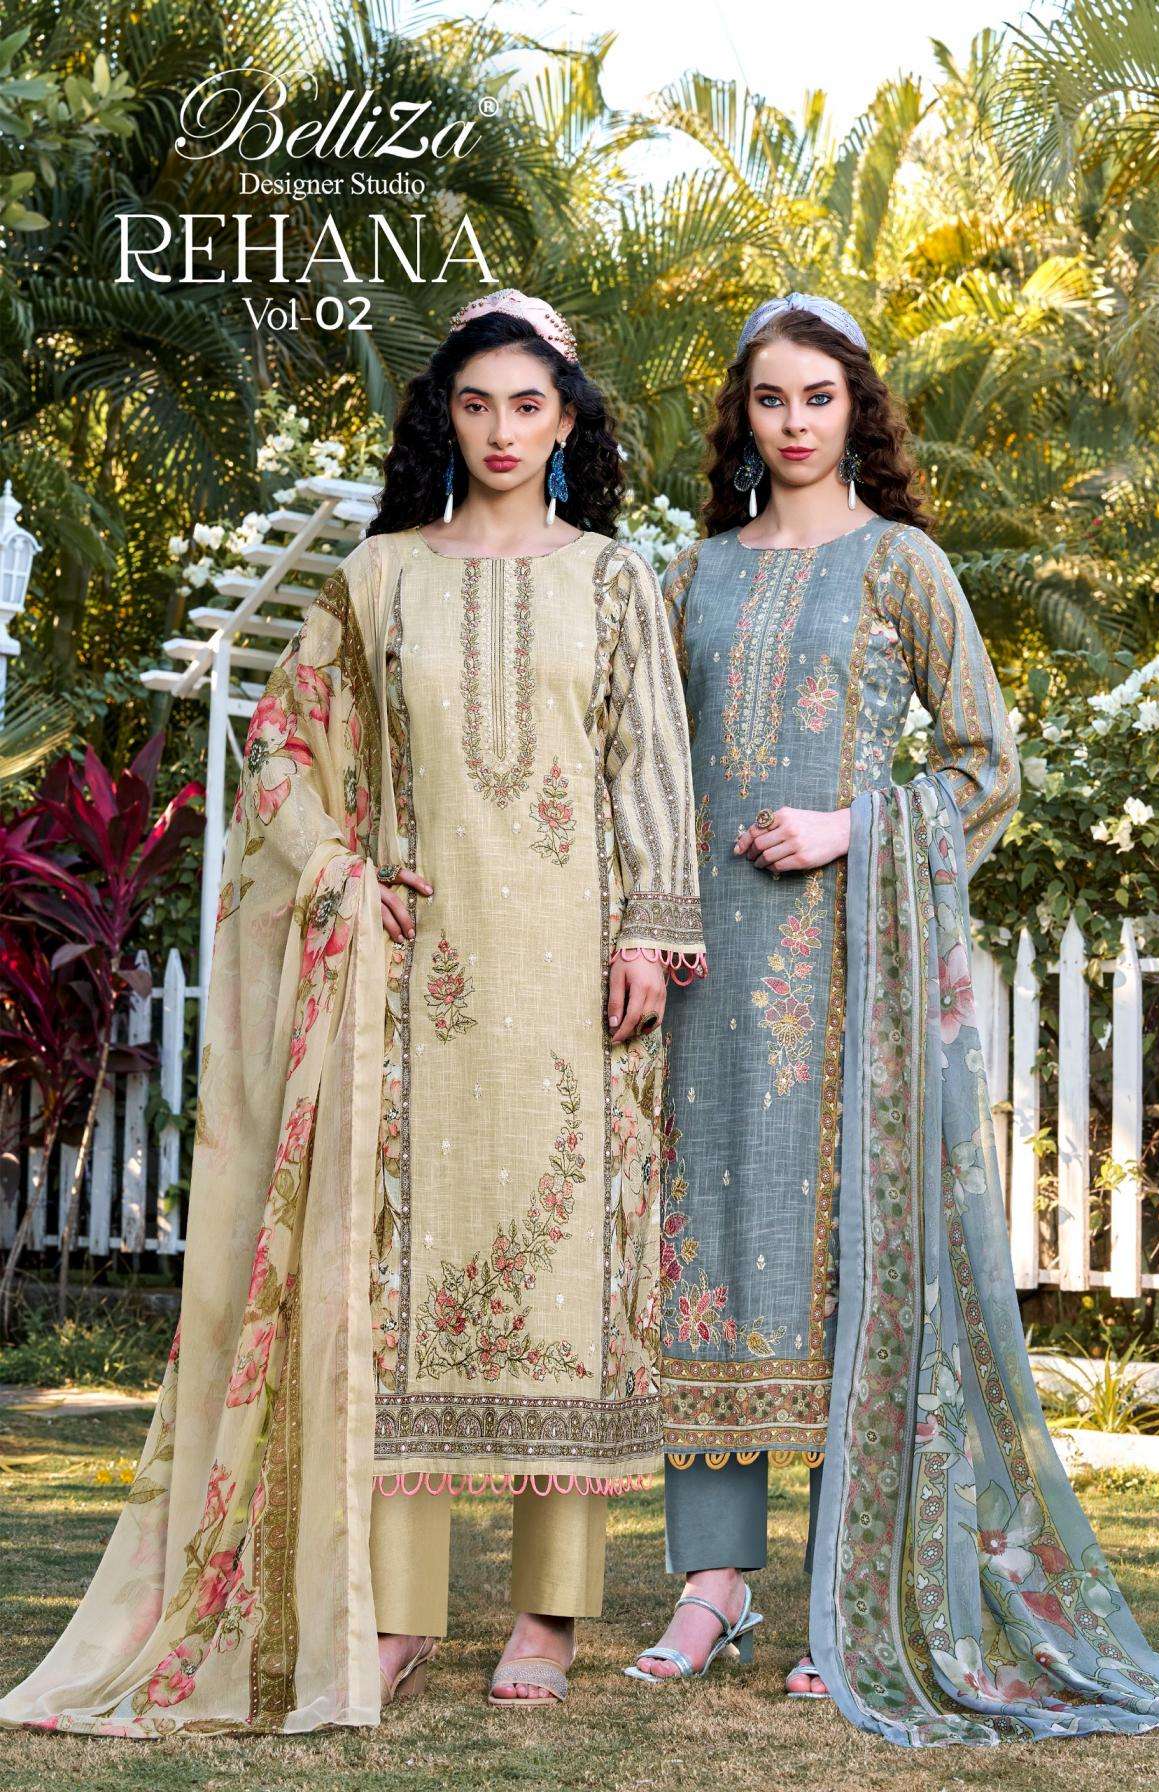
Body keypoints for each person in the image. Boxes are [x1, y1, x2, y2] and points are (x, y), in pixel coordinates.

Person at [0, 289, 704, 1735]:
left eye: (528, 406)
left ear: (566, 422)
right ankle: (396, 1615)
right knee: (398, 1290)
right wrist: (336, 868)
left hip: (573, 979)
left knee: (568, 1289)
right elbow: (279, 746)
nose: (501, 432)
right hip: (413, 981)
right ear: (443, 418)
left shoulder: (615, 580)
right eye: (475, 405)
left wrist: (653, 931)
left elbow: (649, 761)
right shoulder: (377, 579)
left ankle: (549, 1615)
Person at [627, 292, 1159, 1746]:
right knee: (706, 1255)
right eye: (769, 399)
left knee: (848, 1257)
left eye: (818, 397)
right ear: (741, 416)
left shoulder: (902, 565)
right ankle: (711, 1584)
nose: (793, 423)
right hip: (708, 975)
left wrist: (852, 825)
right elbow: (652, 765)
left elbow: (986, 764)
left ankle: (843, 1589)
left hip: (854, 973)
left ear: (857, 410)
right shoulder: (694, 575)